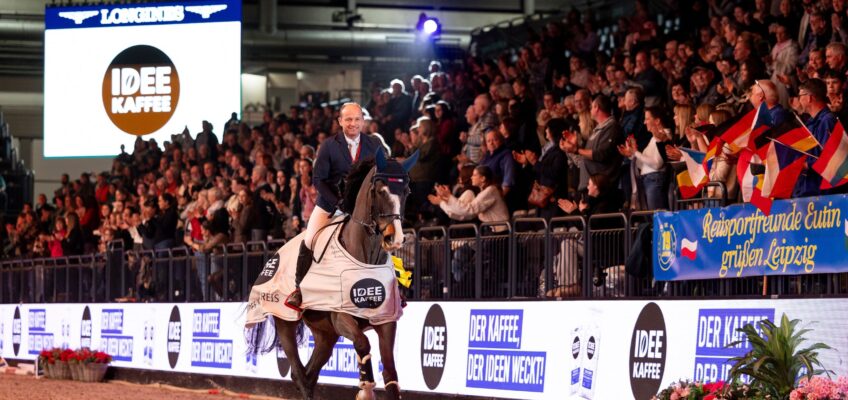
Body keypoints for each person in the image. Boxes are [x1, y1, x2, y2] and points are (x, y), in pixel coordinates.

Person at [286, 102, 385, 311]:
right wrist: (337, 202)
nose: (353, 123)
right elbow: (319, 180)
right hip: (331, 203)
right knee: (310, 239)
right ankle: (298, 289)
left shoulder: (374, 145)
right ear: (340, 121)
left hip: (363, 207)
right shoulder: (329, 146)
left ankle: (392, 287)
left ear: (363, 121)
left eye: (357, 119)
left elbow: (381, 175)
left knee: (386, 236)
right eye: (348, 119)